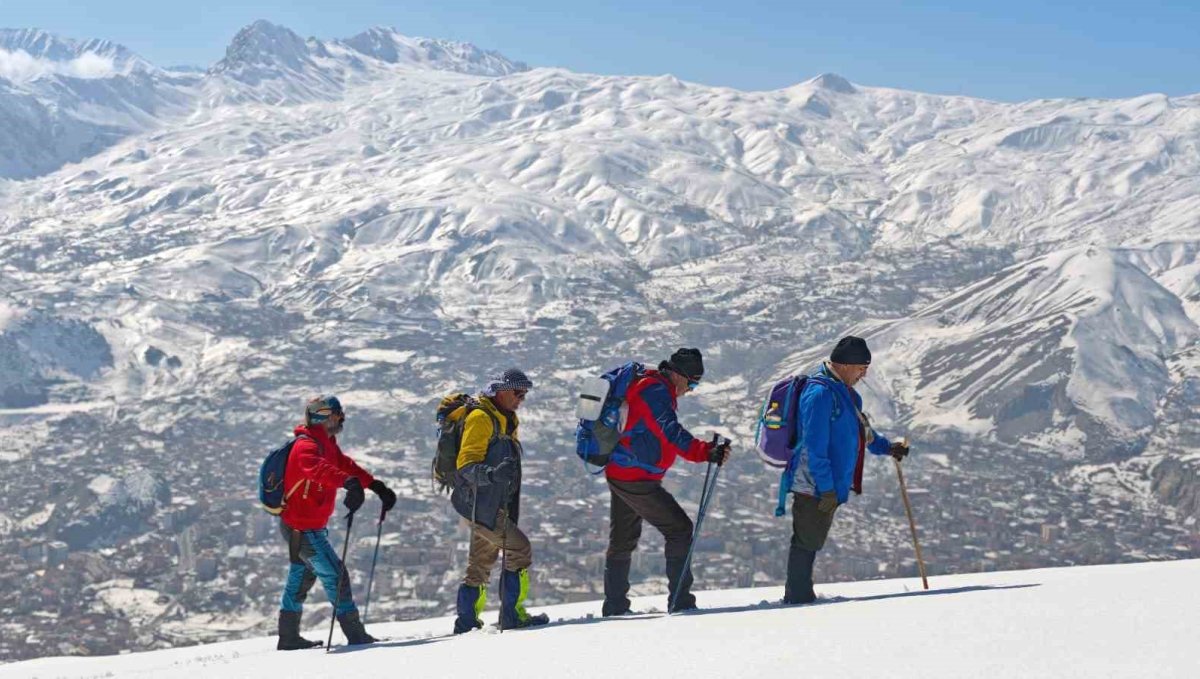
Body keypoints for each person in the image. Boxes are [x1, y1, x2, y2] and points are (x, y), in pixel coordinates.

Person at [602, 348, 731, 616]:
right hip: (635, 476)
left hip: (624, 470)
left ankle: (615, 606)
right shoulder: (655, 391)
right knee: (679, 529)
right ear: (678, 375)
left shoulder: (650, 386)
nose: (692, 389)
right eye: (693, 382)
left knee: (623, 539)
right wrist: (705, 451)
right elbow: (671, 432)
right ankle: (681, 601)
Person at [782, 336, 909, 604]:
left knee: (812, 538)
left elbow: (861, 433)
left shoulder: (845, 394)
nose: (864, 374)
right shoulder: (820, 394)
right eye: (862, 368)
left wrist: (888, 448)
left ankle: (800, 595)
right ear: (846, 365)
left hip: (828, 484)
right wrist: (826, 488)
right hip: (814, 484)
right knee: (806, 541)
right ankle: (798, 598)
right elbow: (815, 448)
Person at [276, 395, 397, 650]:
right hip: (303, 527)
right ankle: (355, 634)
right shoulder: (306, 446)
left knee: (301, 576)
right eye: (336, 415)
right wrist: (347, 483)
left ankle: (288, 637)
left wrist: (374, 485)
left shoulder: (326, 442)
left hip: (306, 525)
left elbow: (344, 465)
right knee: (335, 574)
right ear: (322, 416)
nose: (341, 418)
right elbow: (317, 468)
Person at [450, 368, 550, 633]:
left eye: (524, 394)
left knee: (480, 563)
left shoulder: (505, 418)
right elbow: (466, 465)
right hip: (482, 506)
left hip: (489, 505)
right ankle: (512, 615)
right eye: (518, 393)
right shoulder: (482, 418)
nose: (521, 399)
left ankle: (467, 623)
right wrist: (492, 475)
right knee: (519, 549)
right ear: (502, 391)